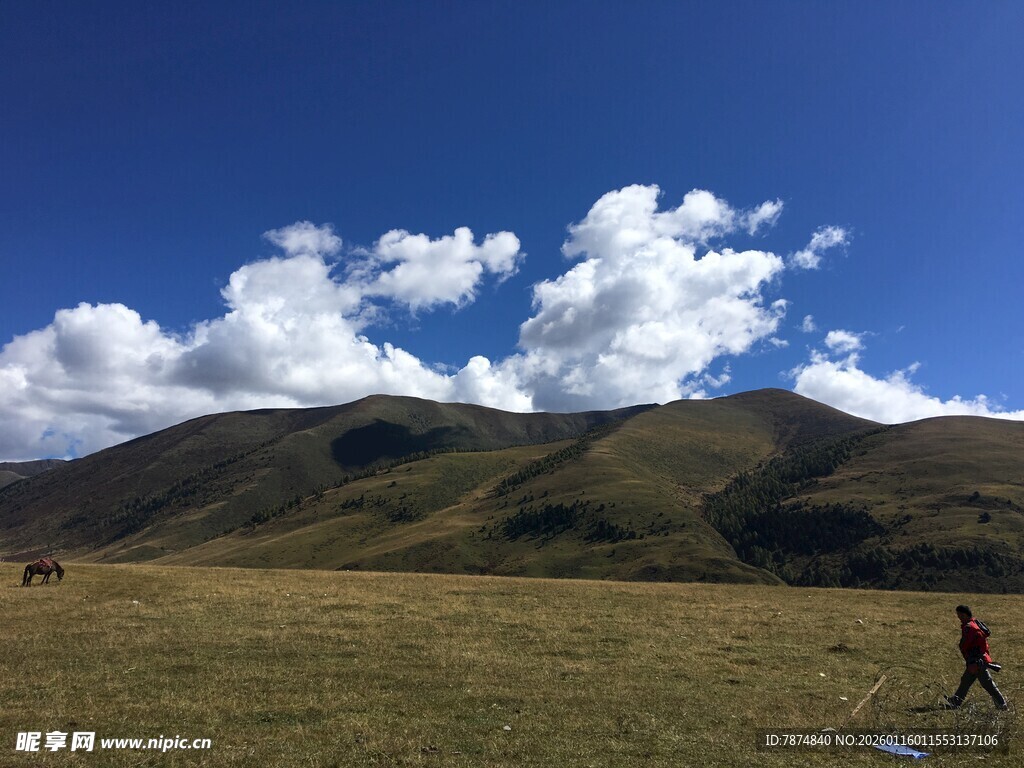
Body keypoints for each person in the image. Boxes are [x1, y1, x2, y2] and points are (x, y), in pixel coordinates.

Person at [944, 605, 1008, 710]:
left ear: (964, 614)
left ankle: (1002, 704)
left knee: (988, 684)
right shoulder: (975, 623)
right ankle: (955, 701)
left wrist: (964, 649)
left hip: (976, 661)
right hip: (978, 659)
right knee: (965, 680)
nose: (958, 617)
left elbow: (965, 644)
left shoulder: (969, 628)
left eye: (959, 614)